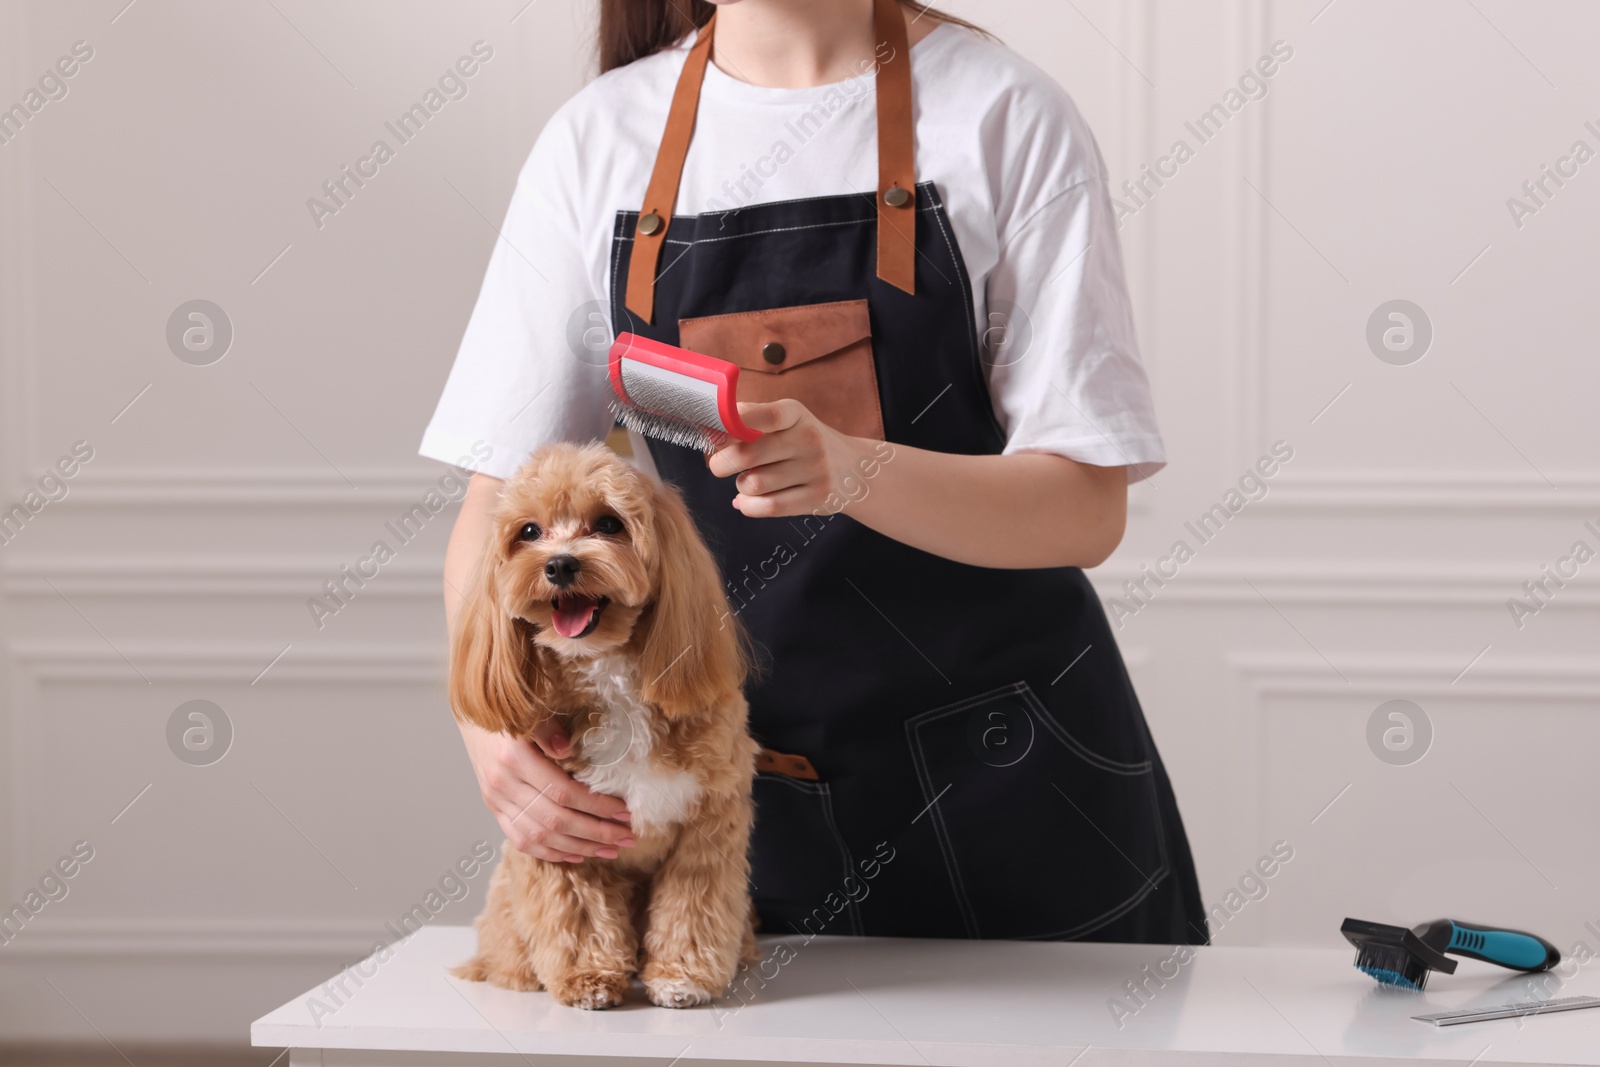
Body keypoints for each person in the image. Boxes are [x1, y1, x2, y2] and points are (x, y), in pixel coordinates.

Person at [423, 0, 1207, 945]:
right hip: (729, 812)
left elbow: (1086, 507)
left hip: (1019, 796)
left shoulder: (1004, 113)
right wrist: (492, 730)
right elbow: (493, 503)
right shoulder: (597, 142)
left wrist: (852, 469)